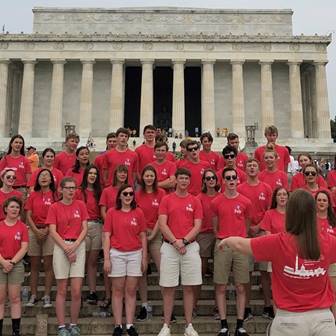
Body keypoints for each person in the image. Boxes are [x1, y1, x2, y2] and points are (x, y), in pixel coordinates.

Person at [218, 189, 336, 336]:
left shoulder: (278, 242)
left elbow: (242, 244)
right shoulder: (329, 241)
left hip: (289, 321)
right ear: (313, 213)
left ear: (290, 213)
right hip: (323, 320)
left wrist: (227, 240)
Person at [157, 168, 203, 336]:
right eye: (181, 178)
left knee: (189, 288)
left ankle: (189, 325)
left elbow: (197, 225)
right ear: (175, 180)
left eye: (186, 178)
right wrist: (176, 242)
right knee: (168, 288)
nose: (183, 181)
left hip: (189, 247)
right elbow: (162, 223)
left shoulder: (195, 201)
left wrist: (183, 241)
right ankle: (166, 326)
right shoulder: (167, 199)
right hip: (170, 247)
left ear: (189, 181)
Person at [211, 167, 252, 336]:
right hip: (223, 243)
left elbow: (247, 223)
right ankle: (223, 324)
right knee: (221, 285)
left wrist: (240, 237)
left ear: (237, 180)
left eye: (233, 177)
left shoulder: (245, 202)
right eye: (227, 177)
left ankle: (240, 324)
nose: (231, 180)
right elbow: (215, 224)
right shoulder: (216, 202)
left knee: (241, 285)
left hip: (240, 244)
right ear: (223, 181)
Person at [103, 184, 147, 336]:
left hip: (135, 254)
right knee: (117, 291)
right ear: (120, 196)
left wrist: (144, 257)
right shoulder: (111, 212)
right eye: (125, 194)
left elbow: (143, 236)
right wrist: (107, 258)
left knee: (131, 290)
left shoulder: (139, 212)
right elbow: (107, 236)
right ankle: (117, 325)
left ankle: (129, 324)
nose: (128, 196)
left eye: (130, 194)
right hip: (117, 254)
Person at [46, 177, 88, 336]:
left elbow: (84, 229)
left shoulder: (81, 205)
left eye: (74, 188)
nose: (72, 191)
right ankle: (62, 326)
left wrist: (74, 247)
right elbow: (52, 230)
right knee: (62, 289)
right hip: (61, 246)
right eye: (68, 188)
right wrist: (66, 248)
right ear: (61, 190)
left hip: (78, 246)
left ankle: (73, 324)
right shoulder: (54, 207)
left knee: (76, 290)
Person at [237, 159, 273, 321]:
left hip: (262, 233)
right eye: (249, 166)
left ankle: (268, 305)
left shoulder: (266, 188)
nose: (252, 168)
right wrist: (247, 229)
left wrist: (258, 227)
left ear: (259, 169)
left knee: (265, 272)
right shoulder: (239, 188)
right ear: (245, 169)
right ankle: (246, 307)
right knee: (247, 273)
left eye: (254, 166)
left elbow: (269, 211)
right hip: (245, 235)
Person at [136, 166, 165, 321]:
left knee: (162, 270)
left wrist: (153, 233)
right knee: (142, 271)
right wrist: (144, 232)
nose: (149, 178)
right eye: (146, 175)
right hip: (140, 235)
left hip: (156, 234)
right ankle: (144, 305)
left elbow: (162, 215)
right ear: (143, 177)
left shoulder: (161, 193)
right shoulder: (137, 194)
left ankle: (167, 307)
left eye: (151, 175)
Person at [25, 168, 57, 308]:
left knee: (49, 266)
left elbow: (57, 215)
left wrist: (46, 229)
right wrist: (36, 231)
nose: (44, 177)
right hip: (34, 230)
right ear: (37, 179)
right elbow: (28, 215)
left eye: (47, 175)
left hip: (50, 230)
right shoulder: (33, 195)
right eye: (41, 175)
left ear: (51, 179)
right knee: (34, 266)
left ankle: (47, 295)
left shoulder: (55, 195)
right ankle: (33, 295)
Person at [99, 164, 129, 309]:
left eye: (124, 173)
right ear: (115, 174)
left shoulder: (129, 191)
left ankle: (122, 296)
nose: (122, 175)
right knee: (108, 264)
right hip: (109, 231)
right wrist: (111, 225)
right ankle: (108, 295)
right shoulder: (107, 191)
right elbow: (103, 210)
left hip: (125, 233)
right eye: (120, 172)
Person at [0, 197, 28, 336]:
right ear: (5, 209)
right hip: (0, 264)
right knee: (0, 298)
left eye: (17, 207)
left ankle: (15, 331)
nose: (15, 209)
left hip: (15, 265)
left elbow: (24, 248)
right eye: (12, 207)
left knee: (15, 298)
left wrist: (11, 263)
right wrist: (3, 262)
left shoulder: (22, 227)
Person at [75, 165, 102, 305]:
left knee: (92, 261)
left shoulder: (99, 191)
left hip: (97, 225)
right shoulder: (79, 192)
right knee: (82, 260)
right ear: (86, 175)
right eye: (90, 173)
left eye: (95, 173)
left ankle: (92, 291)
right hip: (82, 226)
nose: (92, 175)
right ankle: (77, 292)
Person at [194, 169, 219, 313]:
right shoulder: (198, 198)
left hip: (218, 234)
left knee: (218, 273)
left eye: (213, 178)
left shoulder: (221, 196)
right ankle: (195, 305)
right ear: (204, 181)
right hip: (203, 235)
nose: (211, 180)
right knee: (200, 272)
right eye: (208, 178)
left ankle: (217, 306)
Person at [315, 190, 336, 319]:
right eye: (319, 200)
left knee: (333, 293)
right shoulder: (310, 220)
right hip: (315, 262)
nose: (322, 202)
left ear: (328, 203)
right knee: (317, 293)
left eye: (324, 200)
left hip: (332, 261)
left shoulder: (333, 220)